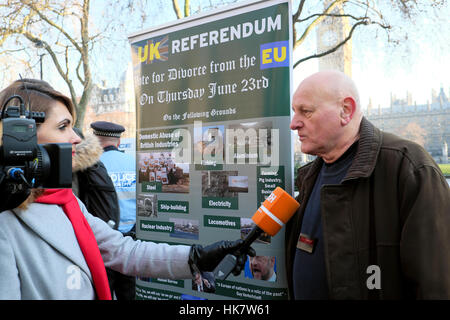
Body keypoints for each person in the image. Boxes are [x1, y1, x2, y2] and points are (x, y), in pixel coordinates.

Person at [0, 79, 253, 300]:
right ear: (20, 137)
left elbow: (124, 251)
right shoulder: (6, 218)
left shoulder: (66, 201)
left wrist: (197, 256)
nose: (77, 137)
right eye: (63, 126)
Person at [286, 70, 450, 300]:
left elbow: (435, 285)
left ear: (346, 110)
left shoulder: (408, 168)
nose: (294, 124)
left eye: (306, 112)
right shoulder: (310, 175)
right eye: (294, 112)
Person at [89, 120, 137, 300]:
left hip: (103, 239)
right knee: (128, 291)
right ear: (118, 141)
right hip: (130, 237)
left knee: (105, 290)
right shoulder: (133, 162)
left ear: (96, 140)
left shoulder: (93, 166)